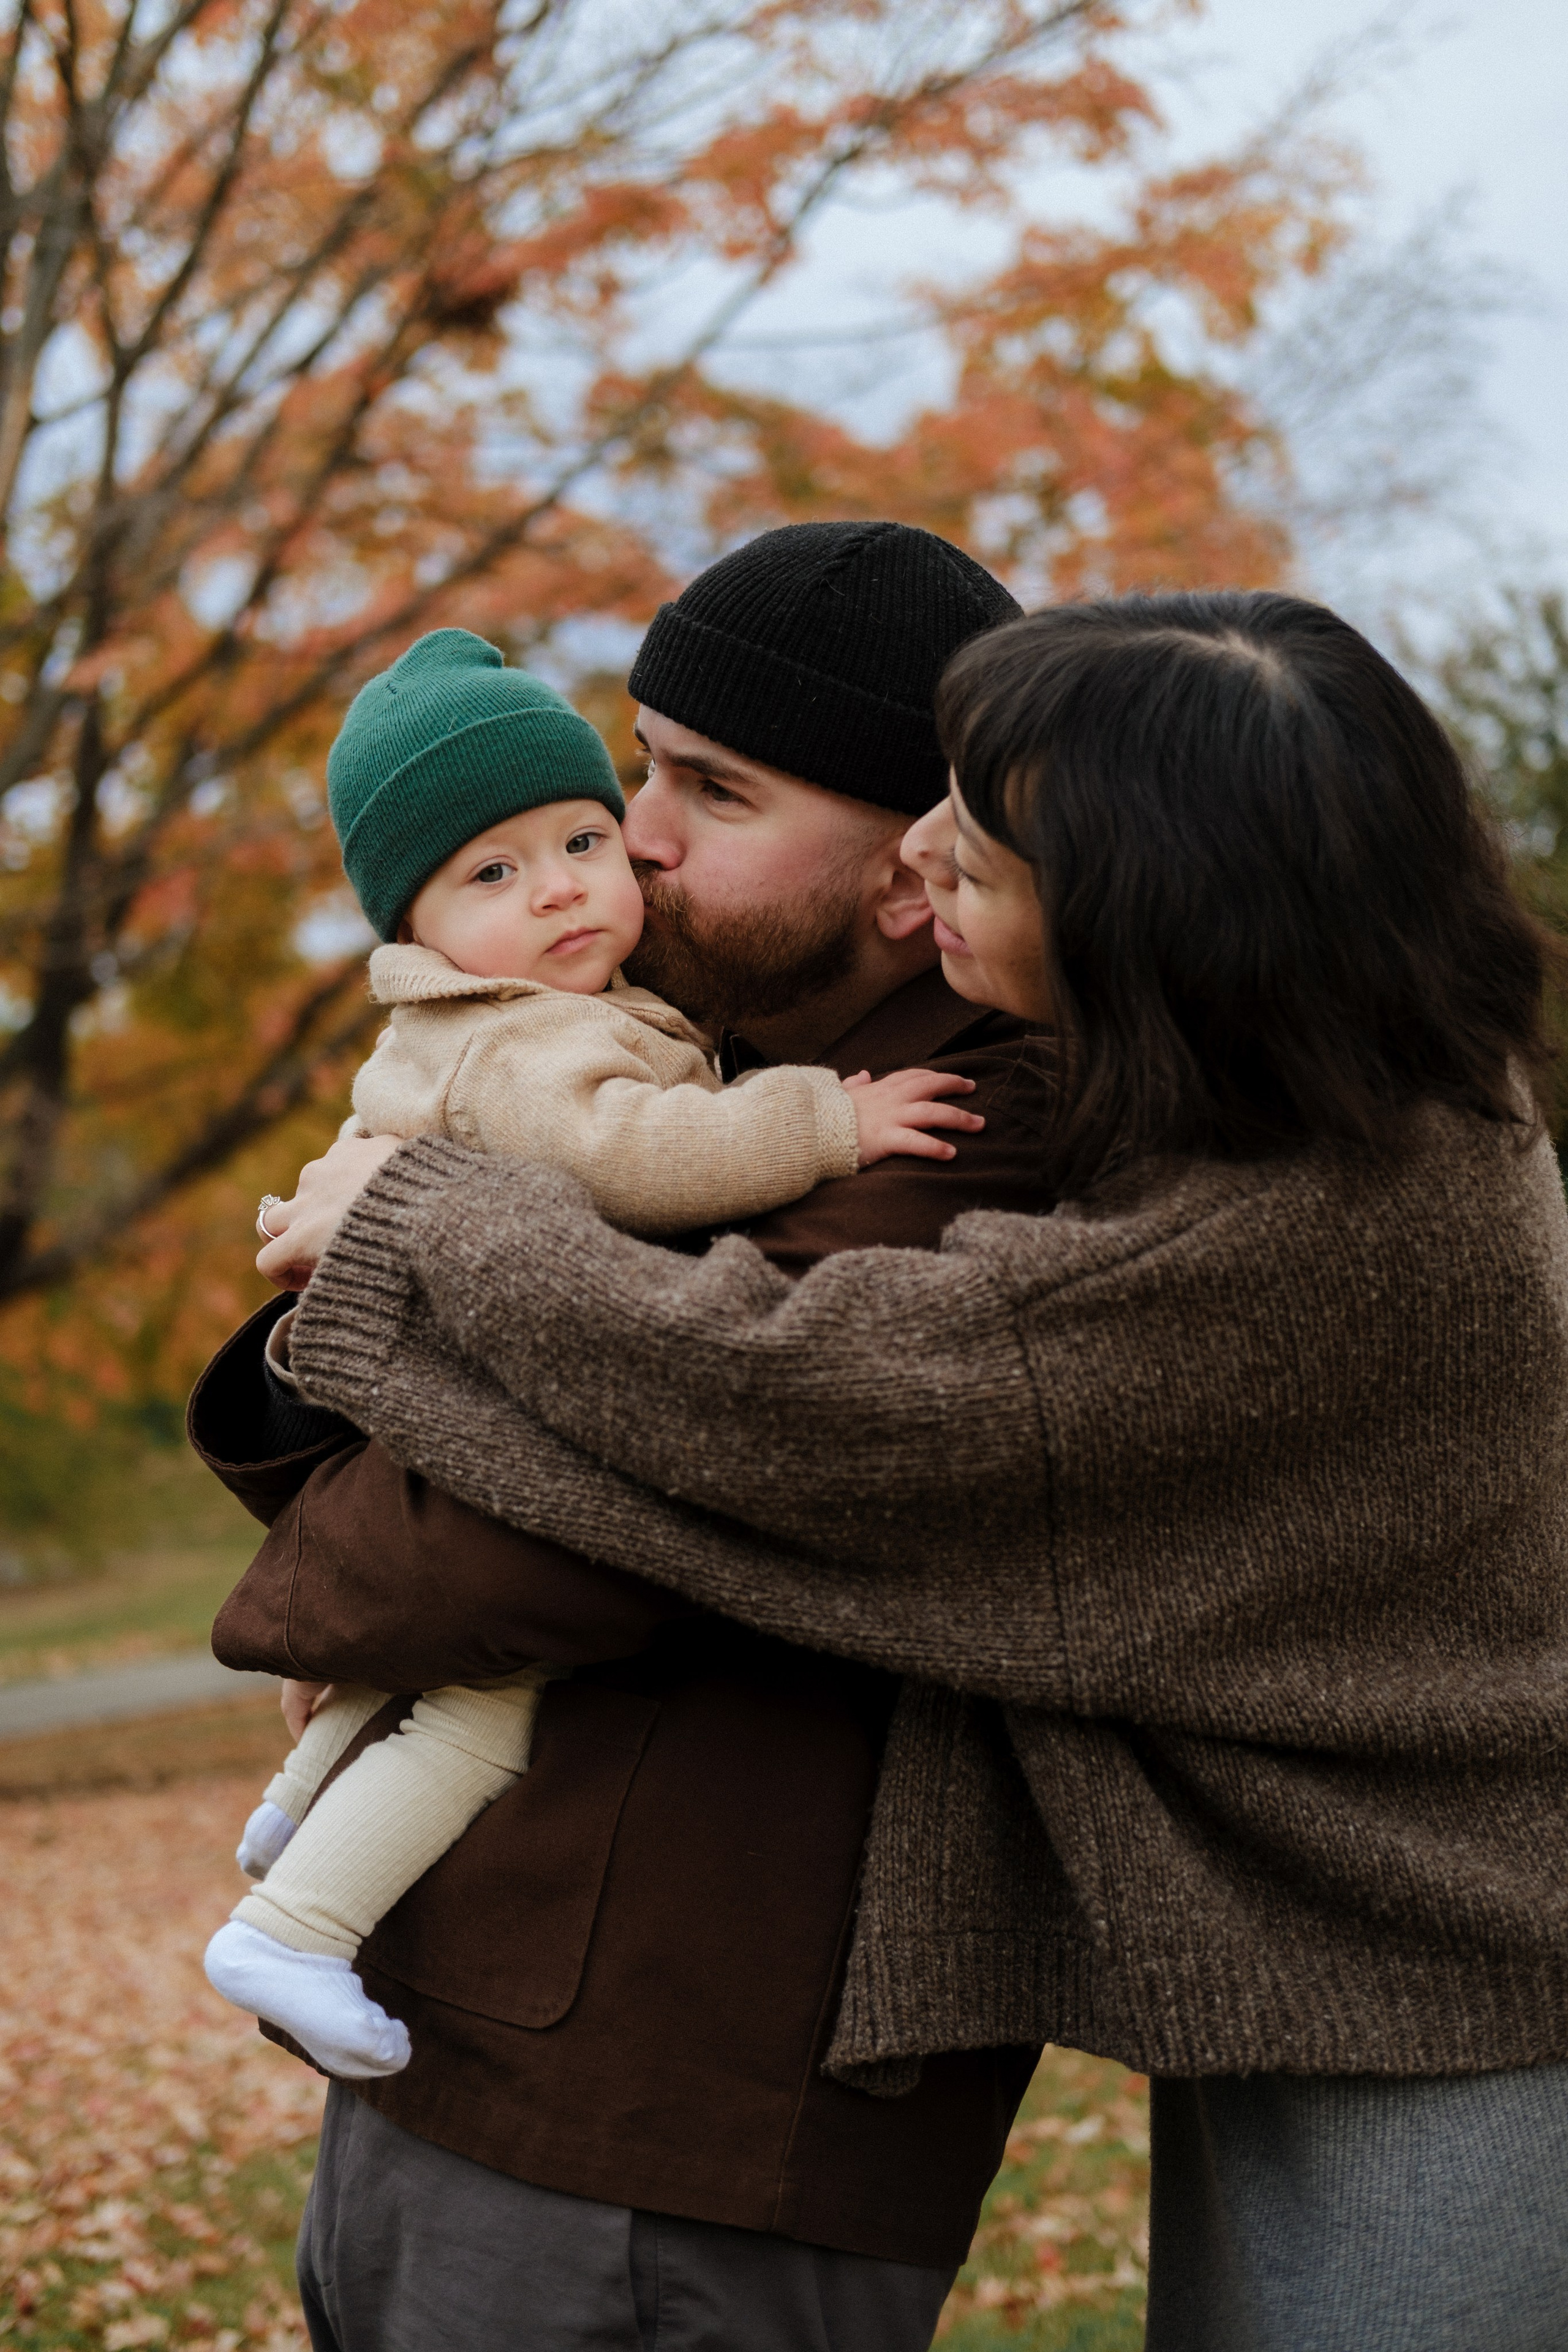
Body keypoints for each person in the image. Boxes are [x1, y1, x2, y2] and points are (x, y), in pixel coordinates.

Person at [265, 589, 1568, 2351]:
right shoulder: (1300, 1099)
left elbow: (785, 1409)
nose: (924, 855)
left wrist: (417, 1221)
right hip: (1326, 1956)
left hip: (1451, 1974)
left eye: (980, 839)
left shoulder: (1289, 1215)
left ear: (1150, 912)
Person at [191, 521, 1054, 2352]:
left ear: (917, 863)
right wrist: (343, 1349)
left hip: (677, 2114)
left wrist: (312, 1572)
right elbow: (360, 1398)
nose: (633, 835)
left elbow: (553, 1536)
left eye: (711, 790)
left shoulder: (961, 1122)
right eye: (640, 764)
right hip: (488, 2042)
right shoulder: (676, 1061)